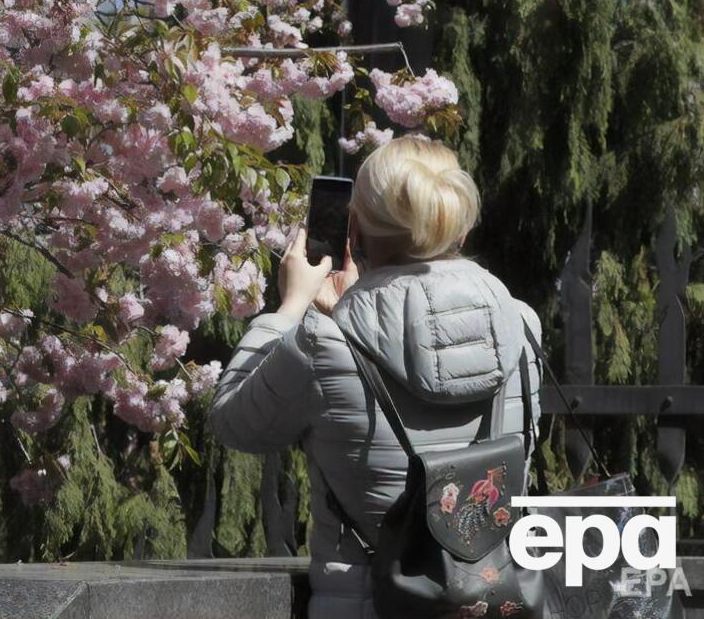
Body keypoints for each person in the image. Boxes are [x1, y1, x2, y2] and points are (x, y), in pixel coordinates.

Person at [209, 136, 542, 619]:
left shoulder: (324, 342)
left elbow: (232, 422)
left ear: (356, 228)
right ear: (459, 230)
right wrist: (351, 306)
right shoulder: (523, 327)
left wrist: (291, 308)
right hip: (494, 600)